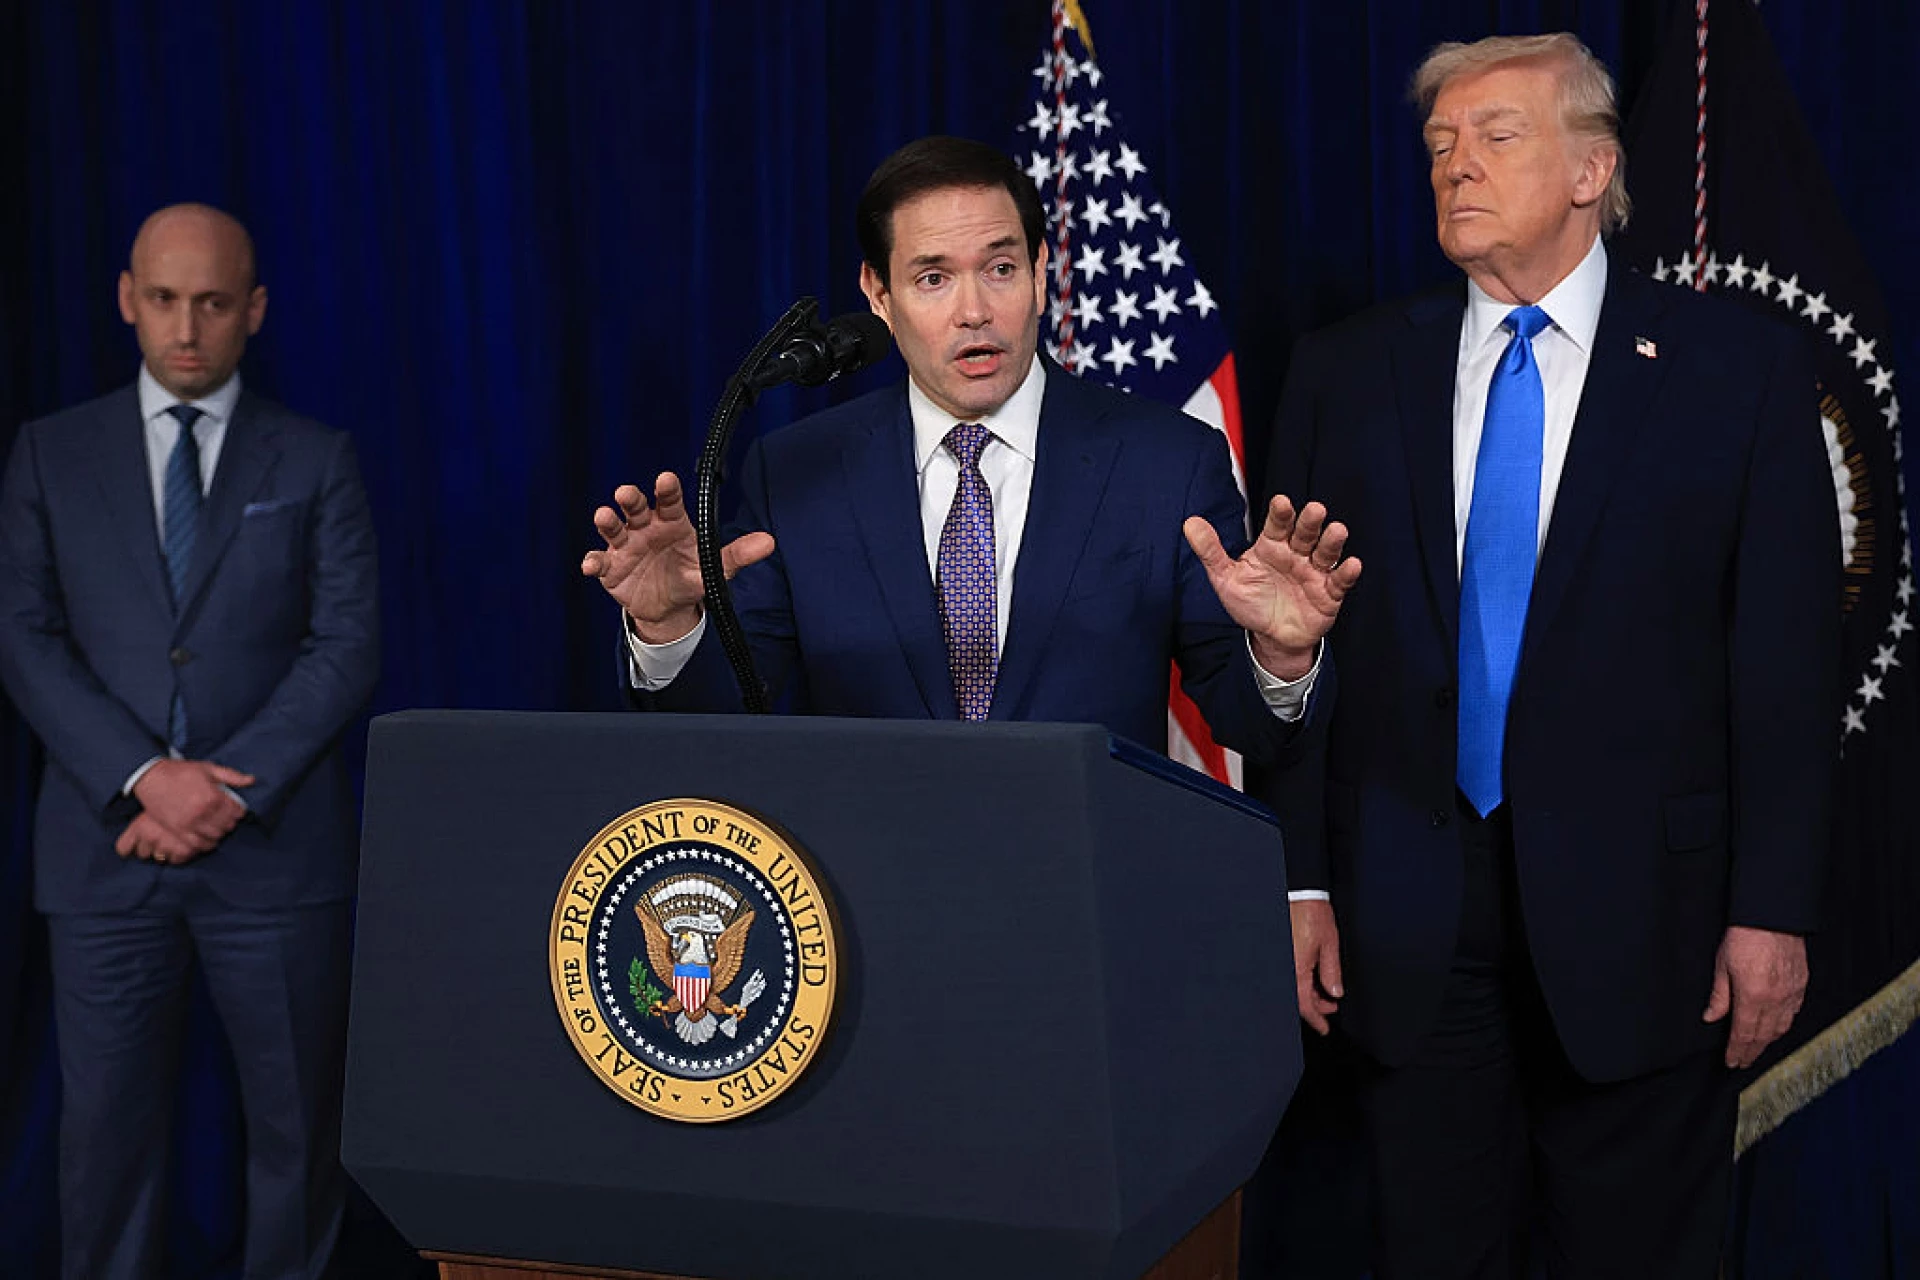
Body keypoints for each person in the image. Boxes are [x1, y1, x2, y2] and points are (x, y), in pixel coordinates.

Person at [1259, 33, 1839, 1278]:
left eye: (1495, 136)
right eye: (1438, 145)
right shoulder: (1345, 371)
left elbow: (1786, 667)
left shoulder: (1737, 371)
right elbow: (1299, 650)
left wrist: (1773, 907)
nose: (1455, 165)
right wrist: (1298, 880)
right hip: (1408, 919)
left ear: (1592, 170)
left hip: (1656, 925)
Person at [582, 135, 1358, 761]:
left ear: (1041, 272)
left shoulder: (1168, 463)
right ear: (878, 294)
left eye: (1000, 268)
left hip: (1086, 885)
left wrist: (1281, 659)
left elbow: (1250, 729)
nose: (975, 310)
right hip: (870, 892)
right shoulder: (795, 474)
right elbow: (724, 721)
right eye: (933, 279)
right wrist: (669, 630)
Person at [0, 203, 380, 1278]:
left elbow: (347, 646)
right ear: (128, 298)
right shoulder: (49, 453)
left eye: (212, 301)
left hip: (274, 856)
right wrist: (146, 779)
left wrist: (223, 790)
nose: (185, 326)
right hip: (104, 853)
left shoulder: (316, 458)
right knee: (103, 1148)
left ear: (252, 309)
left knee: (298, 1141)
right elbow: (24, 638)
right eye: (164, 298)